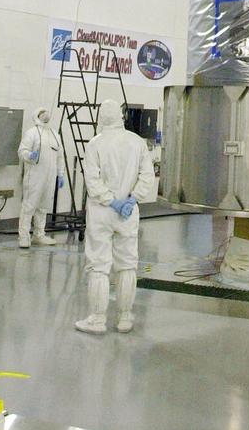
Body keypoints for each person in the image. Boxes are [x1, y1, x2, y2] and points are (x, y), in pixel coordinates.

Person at [76, 98, 156, 335]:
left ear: (102, 117)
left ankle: (97, 319)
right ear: (121, 117)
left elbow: (92, 181)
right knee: (127, 264)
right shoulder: (137, 142)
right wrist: (131, 200)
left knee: (99, 265)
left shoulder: (95, 144)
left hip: (101, 212)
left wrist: (111, 201)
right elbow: (147, 176)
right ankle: (124, 317)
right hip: (127, 214)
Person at [18, 106, 65, 249]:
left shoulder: (54, 135)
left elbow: (60, 156)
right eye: (42, 113)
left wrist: (60, 174)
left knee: (43, 206)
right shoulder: (32, 133)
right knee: (29, 205)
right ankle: (24, 236)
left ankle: (39, 234)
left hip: (49, 177)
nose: (46, 115)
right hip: (34, 175)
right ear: (36, 116)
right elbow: (22, 151)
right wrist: (29, 155)